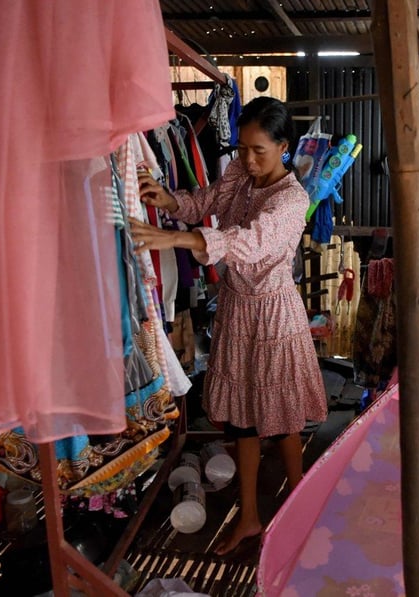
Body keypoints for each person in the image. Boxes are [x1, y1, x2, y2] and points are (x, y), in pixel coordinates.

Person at [130, 96, 327, 555]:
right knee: (241, 423)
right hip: (238, 310)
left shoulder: (291, 199)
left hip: (274, 313)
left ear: (283, 147)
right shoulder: (240, 173)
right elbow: (205, 201)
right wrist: (169, 200)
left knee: (281, 423)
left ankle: (298, 513)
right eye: (242, 148)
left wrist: (175, 237)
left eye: (259, 150)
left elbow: (248, 241)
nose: (248, 159)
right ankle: (250, 517)